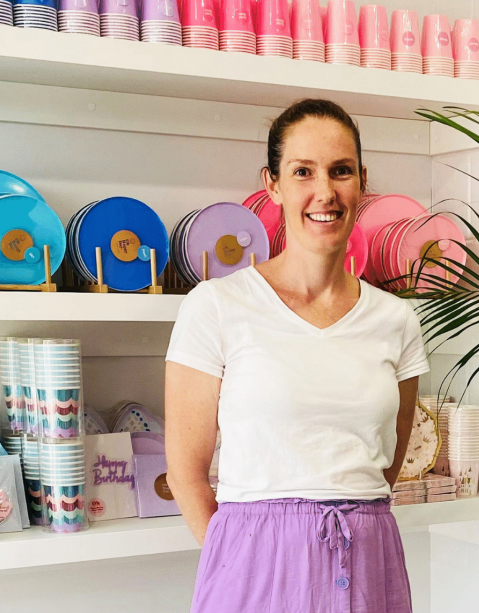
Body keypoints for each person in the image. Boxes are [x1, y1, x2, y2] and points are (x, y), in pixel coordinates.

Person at [165, 98, 428, 613]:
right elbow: (186, 473)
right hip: (254, 565)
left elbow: (386, 460)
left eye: (341, 171)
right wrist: (246, 557)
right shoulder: (217, 306)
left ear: (361, 182)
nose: (324, 192)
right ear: (273, 184)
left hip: (368, 555)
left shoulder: (396, 320)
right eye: (302, 171)